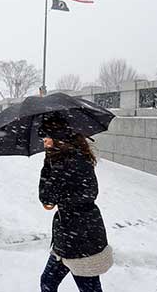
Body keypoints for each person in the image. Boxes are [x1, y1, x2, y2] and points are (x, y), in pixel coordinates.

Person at [38, 114, 113, 292]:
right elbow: (88, 192)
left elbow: (47, 202)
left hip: (74, 238)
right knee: (50, 282)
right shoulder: (81, 156)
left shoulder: (60, 163)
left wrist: (47, 162)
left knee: (51, 283)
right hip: (84, 231)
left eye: (46, 137)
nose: (44, 141)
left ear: (57, 138)